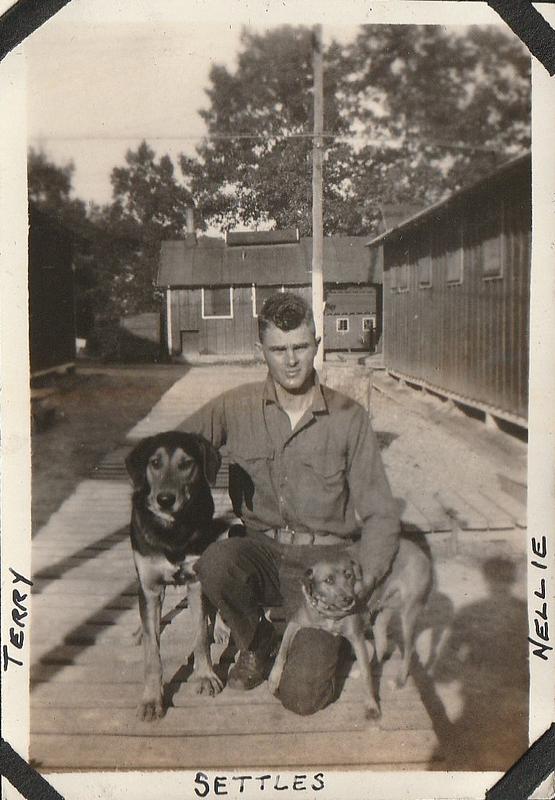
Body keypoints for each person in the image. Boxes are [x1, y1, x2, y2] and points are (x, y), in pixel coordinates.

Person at [185, 292, 400, 715]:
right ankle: (257, 641)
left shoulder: (348, 417)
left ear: (317, 345)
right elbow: (179, 453)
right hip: (261, 549)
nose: (291, 360)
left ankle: (336, 644)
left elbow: (380, 514)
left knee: (302, 698)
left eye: (301, 347)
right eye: (278, 349)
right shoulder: (234, 406)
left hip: (325, 561)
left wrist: (365, 582)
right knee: (214, 561)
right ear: (259, 351)